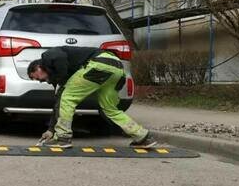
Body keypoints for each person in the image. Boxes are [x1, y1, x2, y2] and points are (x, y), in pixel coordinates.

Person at [28, 46, 156, 149]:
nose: (40, 81)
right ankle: (142, 136)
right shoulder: (66, 70)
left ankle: (63, 138)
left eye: (36, 77)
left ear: (38, 68)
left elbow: (59, 58)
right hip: (117, 67)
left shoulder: (47, 56)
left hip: (99, 64)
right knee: (110, 109)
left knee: (68, 98)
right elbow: (58, 104)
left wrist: (60, 79)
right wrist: (51, 130)